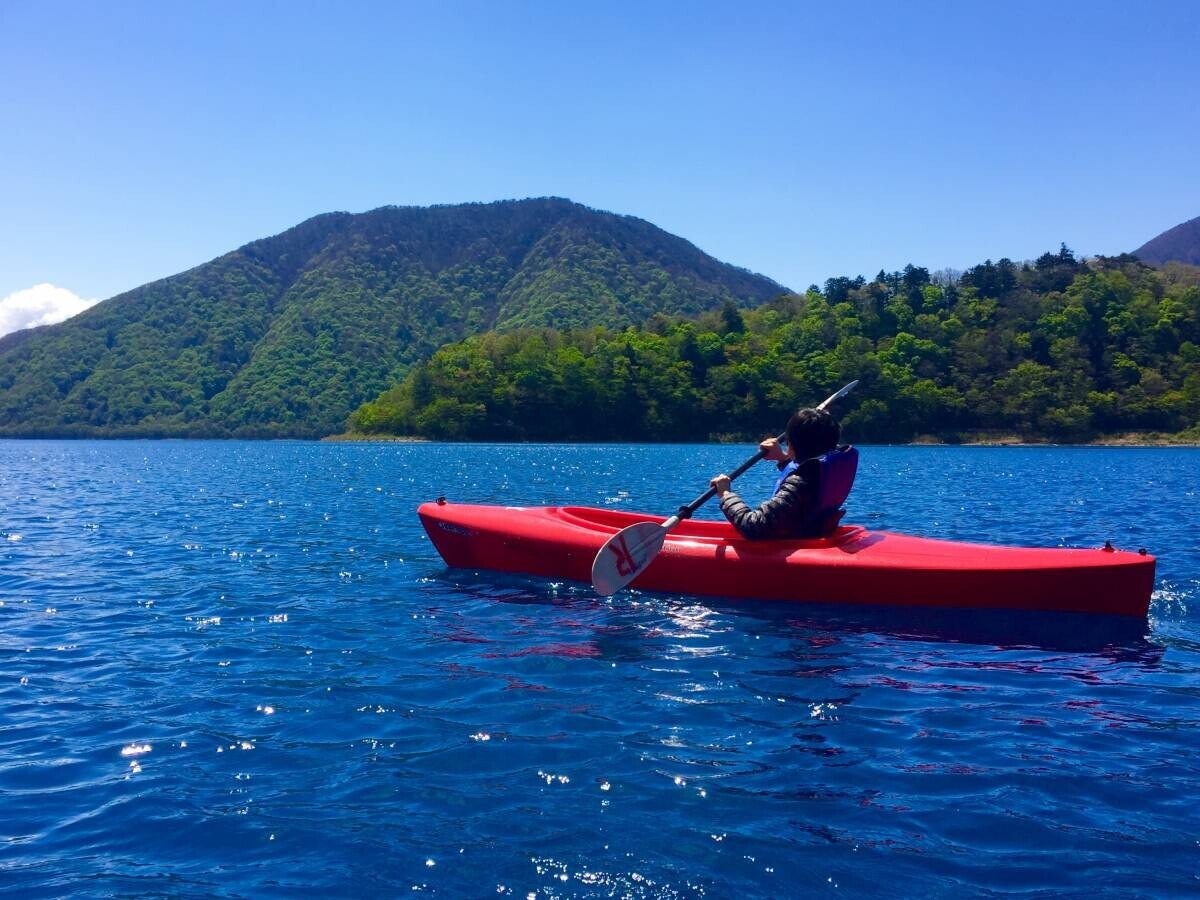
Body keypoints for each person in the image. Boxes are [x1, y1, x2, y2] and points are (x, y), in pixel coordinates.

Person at [709, 407, 851, 540]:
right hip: (811, 536)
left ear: (790, 444)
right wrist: (782, 458)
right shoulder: (820, 473)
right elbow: (807, 473)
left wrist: (726, 494)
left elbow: (753, 527)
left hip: (792, 547)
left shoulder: (800, 485)